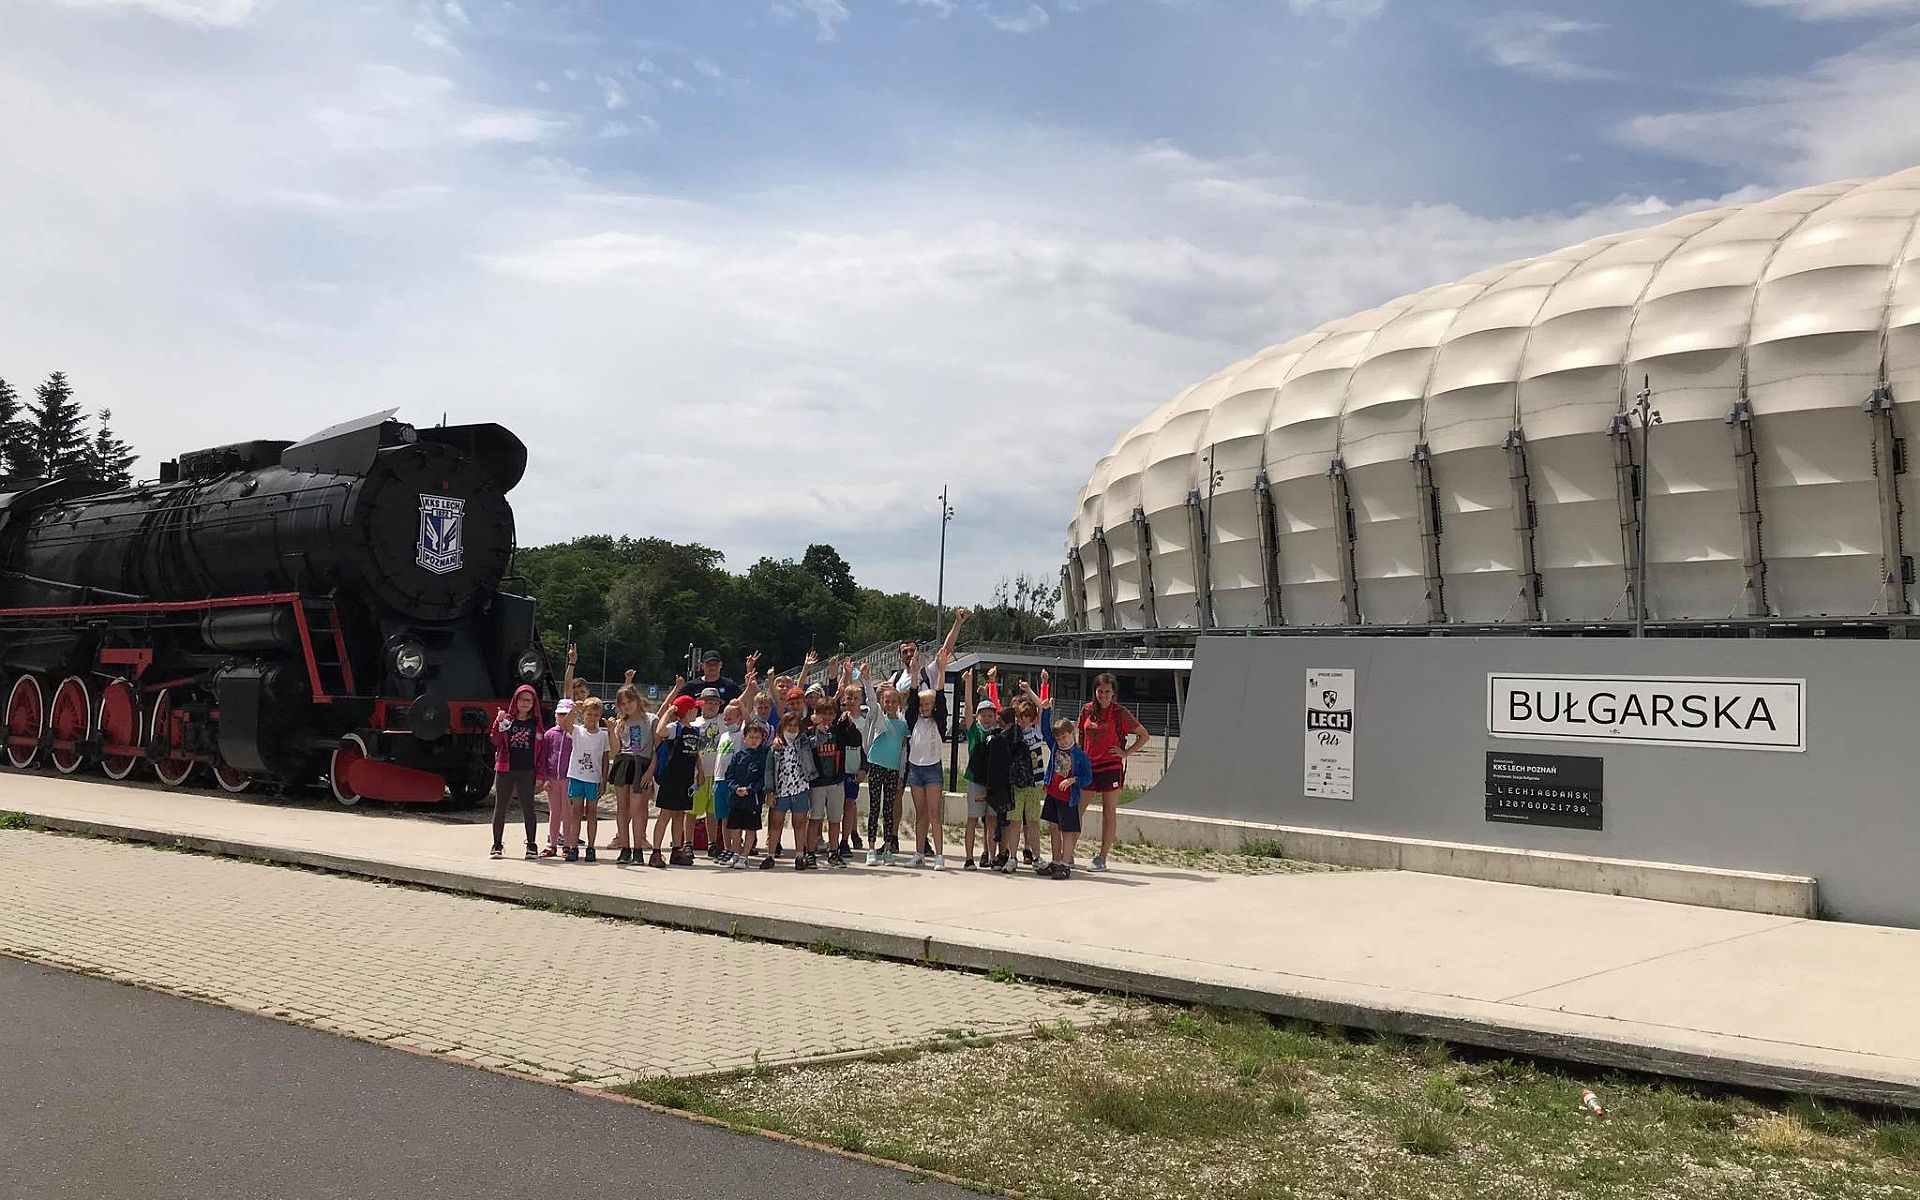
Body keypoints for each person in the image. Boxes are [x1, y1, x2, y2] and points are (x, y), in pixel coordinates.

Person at [901, 609, 967, 869]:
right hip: (911, 759)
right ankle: (916, 852)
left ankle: (938, 854)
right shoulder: (898, 680)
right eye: (905, 651)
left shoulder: (927, 680)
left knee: (933, 814)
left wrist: (957, 624)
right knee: (919, 814)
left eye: (913, 651)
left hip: (932, 768)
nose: (910, 656)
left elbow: (945, 652)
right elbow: (911, 702)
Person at [1077, 672, 1150, 872]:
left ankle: (1102, 856)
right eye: (1100, 691)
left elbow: (1144, 735)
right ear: (1095, 691)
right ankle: (1069, 851)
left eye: (1107, 692)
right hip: (1089, 766)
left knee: (1108, 812)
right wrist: (1079, 759)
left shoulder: (1120, 713)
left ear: (1113, 692)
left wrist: (1125, 753)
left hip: (1111, 767)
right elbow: (1081, 736)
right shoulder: (1087, 710)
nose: (1103, 695)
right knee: (1077, 808)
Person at [857, 664, 907, 866]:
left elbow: (903, 753)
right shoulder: (878, 716)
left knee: (888, 810)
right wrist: (867, 679)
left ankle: (887, 848)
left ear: (899, 703)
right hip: (876, 766)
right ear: (883, 703)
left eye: (894, 701)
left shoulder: (903, 725)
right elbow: (870, 698)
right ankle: (871, 848)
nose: (891, 704)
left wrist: (902, 776)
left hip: (893, 770)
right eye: (887, 701)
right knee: (874, 807)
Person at [488, 684, 543, 861]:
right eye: (522, 699)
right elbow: (495, 741)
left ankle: (532, 844)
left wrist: (540, 775)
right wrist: (497, 722)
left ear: (534, 703)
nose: (525, 703)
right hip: (506, 768)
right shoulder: (507, 720)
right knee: (500, 806)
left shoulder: (536, 724)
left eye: (529, 700)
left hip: (527, 770)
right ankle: (497, 844)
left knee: (528, 807)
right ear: (515, 701)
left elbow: (542, 752)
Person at [1004, 673, 1053, 873]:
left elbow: (1042, 706)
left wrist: (1031, 690)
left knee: (1032, 821)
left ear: (1032, 719)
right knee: (1015, 821)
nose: (1023, 722)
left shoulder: (1038, 731)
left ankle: (1037, 856)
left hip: (1034, 783)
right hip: (1017, 783)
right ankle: (1012, 856)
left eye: (1026, 719)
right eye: (1020, 719)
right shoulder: (1015, 732)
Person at [649, 683, 702, 867]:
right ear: (688, 710)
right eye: (695, 708)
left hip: (686, 778)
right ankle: (656, 852)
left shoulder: (694, 730)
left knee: (680, 814)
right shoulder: (674, 728)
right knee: (666, 814)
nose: (697, 711)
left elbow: (695, 753)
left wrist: (700, 772)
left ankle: (676, 850)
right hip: (671, 777)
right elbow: (659, 731)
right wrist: (669, 712)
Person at [803, 696, 857, 868]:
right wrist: (818, 727)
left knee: (835, 820)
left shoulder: (839, 730)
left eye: (830, 713)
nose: (827, 717)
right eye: (823, 713)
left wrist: (850, 725)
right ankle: (809, 852)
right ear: (815, 713)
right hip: (817, 782)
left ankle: (833, 852)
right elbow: (808, 747)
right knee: (814, 819)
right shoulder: (810, 731)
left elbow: (856, 741)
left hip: (836, 781)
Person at [608, 676, 656, 866]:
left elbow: (656, 749)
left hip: (642, 765)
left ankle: (638, 850)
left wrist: (650, 772)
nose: (627, 706)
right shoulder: (621, 723)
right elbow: (615, 749)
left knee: (637, 809)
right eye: (623, 703)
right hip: (623, 764)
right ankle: (625, 848)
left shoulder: (651, 720)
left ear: (637, 700)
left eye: (630, 701)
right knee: (622, 808)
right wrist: (611, 731)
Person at [1040, 718, 1093, 880]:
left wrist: (1073, 780)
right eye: (1059, 738)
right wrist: (1046, 710)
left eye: (1065, 737)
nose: (1062, 741)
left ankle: (1065, 863)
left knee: (1068, 832)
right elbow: (1045, 730)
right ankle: (1056, 861)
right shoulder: (1056, 748)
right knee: (1054, 829)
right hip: (1053, 795)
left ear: (1072, 734)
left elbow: (1088, 778)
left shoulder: (1080, 755)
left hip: (1068, 799)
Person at [766, 709, 816, 870]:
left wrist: (817, 724)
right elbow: (769, 770)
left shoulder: (803, 742)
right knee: (776, 822)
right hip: (781, 790)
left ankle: (800, 856)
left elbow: (820, 739)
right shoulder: (776, 747)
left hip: (800, 788)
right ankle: (770, 855)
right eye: (789, 725)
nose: (793, 728)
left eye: (796, 725)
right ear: (783, 726)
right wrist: (769, 791)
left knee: (800, 823)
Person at [961, 669, 1000, 870]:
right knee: (973, 819)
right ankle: (969, 858)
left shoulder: (998, 733)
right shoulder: (974, 731)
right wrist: (968, 685)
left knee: (991, 820)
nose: (987, 717)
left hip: (992, 783)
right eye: (983, 714)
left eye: (990, 714)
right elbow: (968, 707)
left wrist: (991, 685)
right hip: (976, 781)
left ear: (995, 716)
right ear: (977, 716)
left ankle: (992, 857)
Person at [723, 720, 775, 869]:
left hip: (753, 799)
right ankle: (735, 853)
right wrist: (735, 788)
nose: (753, 740)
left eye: (757, 737)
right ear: (745, 738)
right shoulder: (738, 756)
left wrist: (750, 789)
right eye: (750, 737)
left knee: (750, 828)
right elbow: (729, 775)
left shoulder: (763, 757)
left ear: (762, 739)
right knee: (734, 828)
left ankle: (744, 856)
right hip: (736, 799)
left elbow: (762, 779)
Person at [566, 697, 611, 863]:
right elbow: (566, 725)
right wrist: (573, 709)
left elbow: (605, 759)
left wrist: (604, 780)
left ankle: (591, 847)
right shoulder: (578, 731)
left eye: (596, 714)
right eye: (589, 714)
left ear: (600, 716)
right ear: (583, 714)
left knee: (592, 812)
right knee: (576, 812)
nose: (592, 717)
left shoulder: (603, 735)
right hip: (577, 776)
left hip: (593, 779)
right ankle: (573, 847)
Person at [710, 697, 747, 863]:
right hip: (719, 780)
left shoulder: (741, 734)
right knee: (723, 818)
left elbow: (748, 720)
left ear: (738, 719)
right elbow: (719, 758)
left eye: (730, 718)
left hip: (733, 781)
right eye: (725, 718)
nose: (726, 721)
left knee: (734, 818)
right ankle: (726, 847)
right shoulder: (723, 735)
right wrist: (714, 783)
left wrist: (740, 705)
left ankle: (735, 849)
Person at [539, 699, 574, 857]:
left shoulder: (574, 734)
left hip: (568, 778)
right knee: (554, 812)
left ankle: (567, 844)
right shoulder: (550, 734)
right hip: (552, 778)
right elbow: (544, 757)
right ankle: (552, 844)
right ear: (555, 715)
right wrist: (545, 777)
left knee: (567, 813)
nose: (563, 718)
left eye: (566, 714)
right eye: (560, 714)